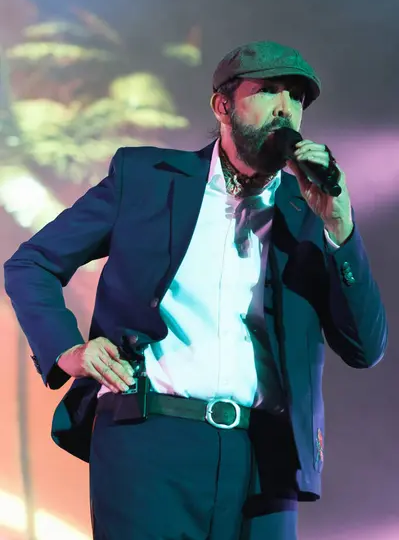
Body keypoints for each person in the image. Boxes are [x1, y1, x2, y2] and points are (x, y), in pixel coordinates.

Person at [4, 40, 387, 540]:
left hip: (264, 457)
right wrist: (69, 350)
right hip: (152, 439)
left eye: (295, 98)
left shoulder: (309, 213)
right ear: (222, 105)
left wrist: (341, 228)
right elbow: (31, 263)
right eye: (267, 91)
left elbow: (365, 347)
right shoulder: (146, 179)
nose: (284, 109)